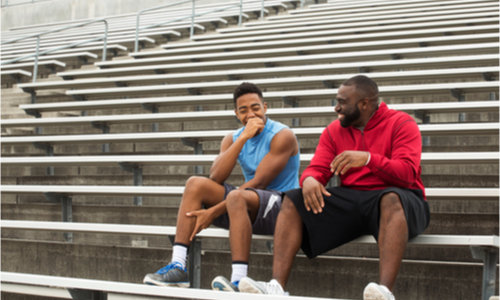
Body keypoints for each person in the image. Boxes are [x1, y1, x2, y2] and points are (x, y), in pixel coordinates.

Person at [238, 75, 430, 300]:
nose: (336, 108)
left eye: (342, 102)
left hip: (402, 198)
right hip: (353, 198)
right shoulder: (334, 130)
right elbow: (317, 169)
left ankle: (385, 291)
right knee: (292, 198)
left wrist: (369, 159)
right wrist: (309, 179)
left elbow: (407, 174)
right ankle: (276, 287)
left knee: (390, 198)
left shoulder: (402, 123)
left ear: (364, 104)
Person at [143, 82, 300, 292]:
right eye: (243, 111)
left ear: (265, 107)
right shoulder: (233, 138)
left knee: (237, 196)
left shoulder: (282, 135)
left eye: (255, 108)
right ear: (236, 114)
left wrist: (214, 211)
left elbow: (260, 183)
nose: (251, 115)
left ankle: (237, 280)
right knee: (195, 184)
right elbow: (216, 176)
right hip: (248, 204)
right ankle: (178, 266)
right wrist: (243, 137)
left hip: (282, 209)